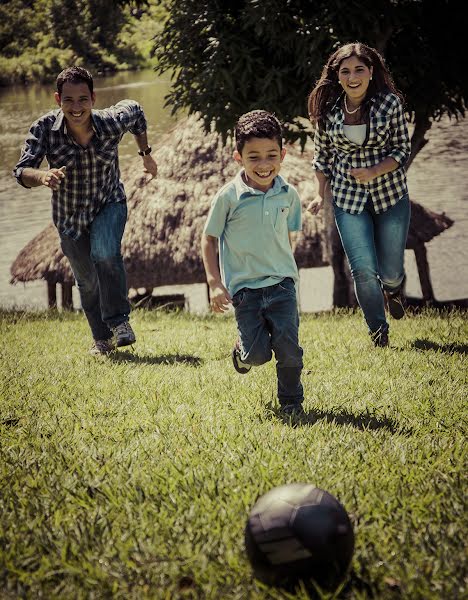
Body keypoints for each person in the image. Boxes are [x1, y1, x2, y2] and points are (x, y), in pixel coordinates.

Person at [13, 66, 158, 355]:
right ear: (58, 99)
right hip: (69, 217)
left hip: (109, 202)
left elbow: (137, 112)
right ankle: (102, 340)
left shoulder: (112, 122)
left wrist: (145, 154)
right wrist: (42, 177)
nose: (76, 107)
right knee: (87, 281)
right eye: (68, 100)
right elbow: (21, 170)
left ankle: (119, 323)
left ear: (93, 97)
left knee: (105, 253)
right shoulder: (44, 129)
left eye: (82, 99)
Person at [307, 42, 411, 347]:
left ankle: (392, 289)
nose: (353, 77)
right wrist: (318, 193)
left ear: (371, 71)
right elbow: (322, 157)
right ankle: (379, 333)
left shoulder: (390, 104)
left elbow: (402, 149)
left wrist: (376, 170)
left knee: (390, 271)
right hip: (347, 199)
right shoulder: (328, 111)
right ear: (336, 75)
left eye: (359, 70)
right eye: (345, 71)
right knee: (363, 269)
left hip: (390, 195)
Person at [201, 110, 304, 417]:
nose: (264, 165)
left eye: (271, 155)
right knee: (257, 355)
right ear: (238, 157)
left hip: (283, 285)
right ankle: (241, 352)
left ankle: (291, 402)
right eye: (254, 157)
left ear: (283, 154)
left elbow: (291, 234)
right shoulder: (228, 197)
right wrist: (214, 283)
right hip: (245, 291)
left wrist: (286, 267)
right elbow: (208, 239)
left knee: (288, 350)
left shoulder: (289, 194)